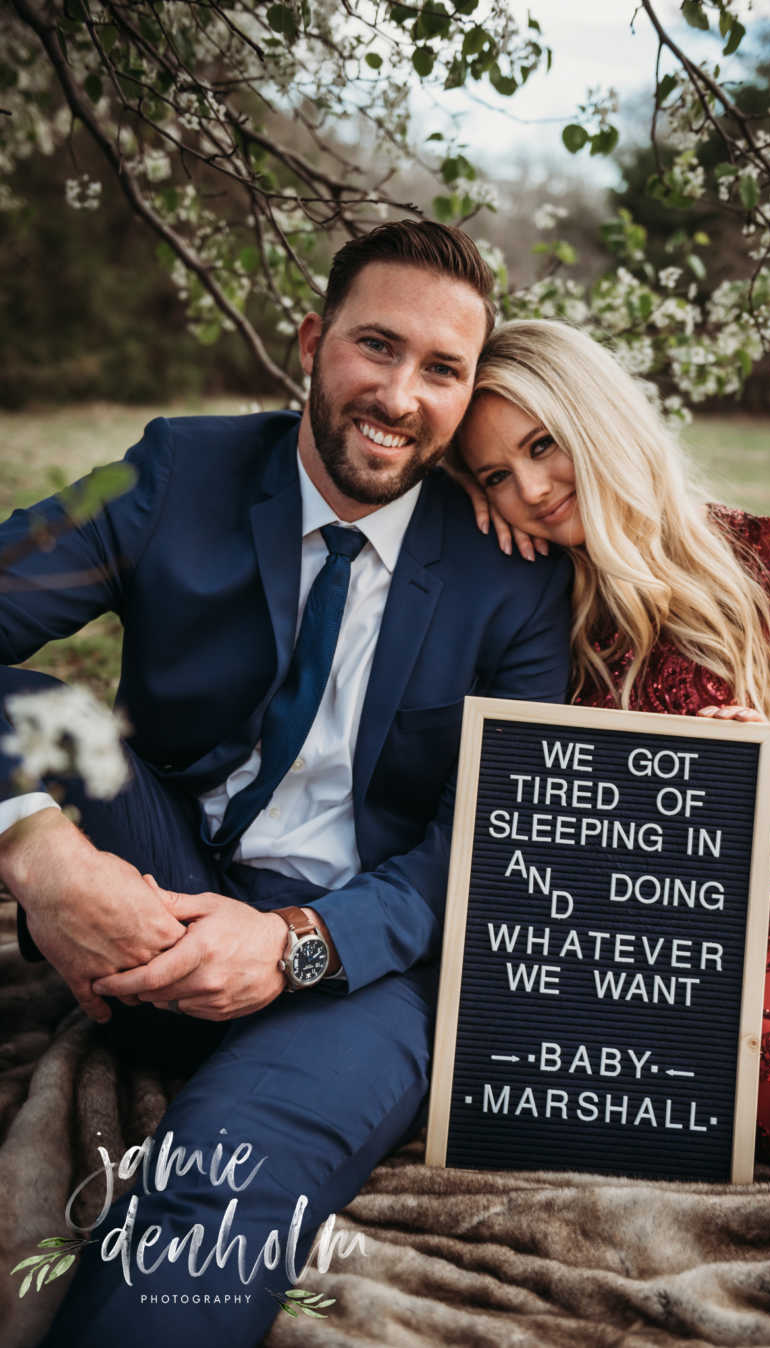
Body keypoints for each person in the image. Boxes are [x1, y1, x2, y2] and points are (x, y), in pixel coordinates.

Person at [0, 224, 571, 1347]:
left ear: (465, 397)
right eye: (376, 346)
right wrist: (37, 849)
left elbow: (487, 844)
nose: (400, 395)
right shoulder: (173, 469)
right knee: (44, 713)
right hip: (160, 874)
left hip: (362, 962)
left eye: (442, 370)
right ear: (312, 343)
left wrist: (293, 944)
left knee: (216, 1185)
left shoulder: (516, 579)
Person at [455, 317, 770, 1169]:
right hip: (639, 939)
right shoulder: (523, 597)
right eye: (496, 477)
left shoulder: (763, 556)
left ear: (596, 416)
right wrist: (458, 515)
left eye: (545, 444)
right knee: (681, 1087)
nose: (534, 487)